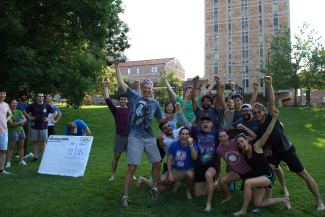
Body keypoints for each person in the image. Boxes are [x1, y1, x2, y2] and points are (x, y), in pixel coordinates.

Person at [253, 76, 324, 211]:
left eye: (259, 112)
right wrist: (271, 148)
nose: (257, 115)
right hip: (276, 152)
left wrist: (269, 84)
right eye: (254, 113)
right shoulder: (260, 127)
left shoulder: (271, 116)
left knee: (303, 175)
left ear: (264, 112)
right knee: (266, 171)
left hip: (287, 150)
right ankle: (268, 199)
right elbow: (271, 136)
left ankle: (320, 202)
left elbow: (272, 102)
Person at [115, 60, 174, 207]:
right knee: (132, 167)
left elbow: (159, 118)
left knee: (157, 163)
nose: (147, 90)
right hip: (134, 136)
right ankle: (125, 196)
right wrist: (116, 66)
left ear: (152, 89)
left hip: (148, 137)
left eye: (149, 88)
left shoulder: (154, 103)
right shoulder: (135, 97)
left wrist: (168, 118)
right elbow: (120, 81)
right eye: (145, 88)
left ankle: (154, 188)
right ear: (142, 88)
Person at [176, 100, 234, 211]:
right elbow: (186, 124)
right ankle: (217, 186)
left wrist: (231, 110)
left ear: (212, 124)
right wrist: (179, 111)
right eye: (203, 123)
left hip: (211, 165)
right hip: (198, 166)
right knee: (197, 193)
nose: (205, 124)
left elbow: (227, 125)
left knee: (208, 176)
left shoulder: (216, 133)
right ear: (200, 125)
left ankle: (208, 204)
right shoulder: (197, 132)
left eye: (208, 122)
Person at [233, 108, 291, 216]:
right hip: (258, 178)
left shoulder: (257, 146)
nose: (241, 144)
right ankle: (284, 200)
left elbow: (268, 132)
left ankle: (243, 210)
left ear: (247, 140)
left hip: (268, 176)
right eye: (239, 143)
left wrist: (274, 118)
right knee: (257, 203)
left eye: (242, 141)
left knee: (247, 183)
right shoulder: (244, 153)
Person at [137, 126, 197, 199]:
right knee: (161, 180)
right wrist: (169, 173)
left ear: (189, 136)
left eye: (186, 134)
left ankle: (188, 191)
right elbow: (169, 159)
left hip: (188, 170)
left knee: (190, 175)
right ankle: (175, 184)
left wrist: (191, 145)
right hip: (176, 170)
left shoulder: (193, 146)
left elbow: (194, 157)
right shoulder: (174, 145)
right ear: (179, 135)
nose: (184, 136)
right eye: (182, 134)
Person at [103, 80, 140, 181]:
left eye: (125, 99)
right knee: (116, 156)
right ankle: (113, 175)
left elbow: (138, 100)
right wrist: (105, 87)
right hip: (119, 135)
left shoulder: (130, 109)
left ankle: (131, 174)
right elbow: (107, 99)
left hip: (130, 136)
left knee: (130, 157)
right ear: (119, 101)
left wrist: (138, 86)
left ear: (127, 100)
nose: (123, 101)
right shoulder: (115, 110)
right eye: (122, 99)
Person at [216, 124, 256, 204]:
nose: (223, 138)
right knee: (222, 181)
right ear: (218, 138)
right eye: (220, 137)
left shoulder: (236, 141)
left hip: (249, 171)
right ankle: (228, 197)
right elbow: (218, 162)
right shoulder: (219, 150)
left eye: (224, 136)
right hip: (237, 172)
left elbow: (253, 136)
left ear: (228, 136)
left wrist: (244, 127)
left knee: (250, 199)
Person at [23, 93, 57, 162]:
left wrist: (49, 119)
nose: (41, 97)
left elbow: (55, 112)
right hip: (34, 126)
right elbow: (24, 111)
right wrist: (29, 117)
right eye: (39, 96)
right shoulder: (33, 105)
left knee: (43, 142)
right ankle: (35, 157)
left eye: (42, 96)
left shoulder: (46, 105)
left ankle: (43, 157)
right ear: (37, 97)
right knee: (35, 142)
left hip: (43, 126)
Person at [6, 99, 27, 168]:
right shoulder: (8, 113)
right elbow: (12, 124)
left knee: (21, 146)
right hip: (12, 131)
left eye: (16, 103)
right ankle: (8, 162)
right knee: (11, 147)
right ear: (9, 104)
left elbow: (25, 119)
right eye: (13, 103)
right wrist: (21, 123)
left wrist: (18, 123)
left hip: (20, 130)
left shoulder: (18, 111)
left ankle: (21, 160)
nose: (15, 105)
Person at [16, 91, 33, 158]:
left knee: (26, 137)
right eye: (22, 95)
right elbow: (16, 114)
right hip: (19, 123)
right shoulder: (17, 105)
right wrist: (21, 120)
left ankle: (25, 152)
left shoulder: (28, 105)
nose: (24, 96)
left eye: (25, 95)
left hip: (27, 123)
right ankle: (19, 152)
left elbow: (29, 113)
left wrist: (25, 119)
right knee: (19, 138)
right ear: (20, 97)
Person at [0, 88, 12, 174]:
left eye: (4, 94)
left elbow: (10, 114)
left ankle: (1, 169)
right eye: (1, 94)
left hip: (4, 131)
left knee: (3, 151)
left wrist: (5, 120)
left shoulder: (6, 105)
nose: (2, 95)